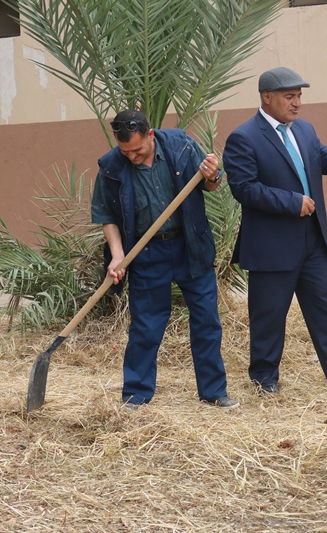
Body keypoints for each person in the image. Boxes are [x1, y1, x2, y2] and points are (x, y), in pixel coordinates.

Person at [223, 67, 327, 394]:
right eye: (289, 96)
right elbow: (243, 188)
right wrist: (291, 201)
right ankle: (264, 377)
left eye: (299, 96)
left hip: (312, 241)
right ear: (266, 97)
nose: (297, 103)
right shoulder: (244, 137)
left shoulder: (306, 131)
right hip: (272, 246)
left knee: (326, 308)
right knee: (269, 316)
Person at [91, 109, 238, 409]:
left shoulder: (181, 145)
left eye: (138, 149)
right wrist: (118, 255)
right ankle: (136, 395)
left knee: (206, 321)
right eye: (125, 151)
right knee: (146, 325)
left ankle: (213, 392)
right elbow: (107, 216)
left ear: (150, 135)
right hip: (146, 253)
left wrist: (212, 174)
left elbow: (210, 183)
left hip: (190, 245)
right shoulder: (111, 167)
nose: (132, 156)